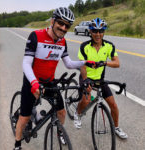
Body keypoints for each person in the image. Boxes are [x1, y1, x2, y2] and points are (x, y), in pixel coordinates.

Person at [13, 7, 95, 150]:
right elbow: (26, 63)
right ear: (53, 21)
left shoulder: (62, 42)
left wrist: (84, 63)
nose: (63, 28)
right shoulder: (36, 36)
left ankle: (59, 132)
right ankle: (17, 144)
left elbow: (68, 63)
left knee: (61, 111)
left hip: (49, 82)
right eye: (60, 23)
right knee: (24, 117)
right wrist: (33, 83)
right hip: (32, 81)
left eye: (67, 26)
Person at [74, 17, 128, 139]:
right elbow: (82, 65)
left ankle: (116, 128)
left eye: (100, 31)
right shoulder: (84, 46)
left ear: (104, 31)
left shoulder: (109, 46)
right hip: (86, 77)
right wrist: (86, 80)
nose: (98, 34)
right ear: (90, 31)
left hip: (100, 79)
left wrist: (104, 63)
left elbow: (117, 63)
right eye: (95, 31)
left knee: (113, 105)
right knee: (86, 100)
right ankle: (77, 114)